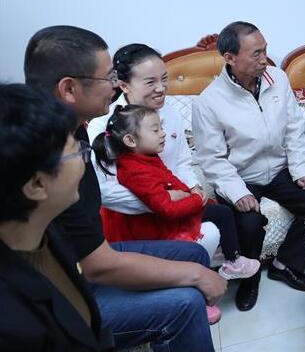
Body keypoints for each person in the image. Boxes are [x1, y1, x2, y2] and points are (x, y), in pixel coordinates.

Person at [0, 83, 224, 352]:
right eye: (78, 154)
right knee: (186, 302)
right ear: (36, 184)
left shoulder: (47, 231)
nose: (85, 164)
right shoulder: (10, 322)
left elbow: (81, 303)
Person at [24, 26, 224, 352]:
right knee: (187, 299)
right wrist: (193, 272)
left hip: (88, 257)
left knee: (196, 254)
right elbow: (97, 263)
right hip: (68, 289)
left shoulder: (74, 133)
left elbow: (180, 163)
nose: (114, 86)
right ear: (69, 88)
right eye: (109, 78)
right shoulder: (54, 154)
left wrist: (186, 193)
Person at [192, 21, 305, 312]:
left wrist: (301, 169)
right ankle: (249, 278)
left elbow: (294, 128)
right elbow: (211, 158)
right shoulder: (209, 102)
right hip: (241, 175)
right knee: (249, 223)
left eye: (264, 50)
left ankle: (285, 264)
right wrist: (237, 192)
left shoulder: (277, 78)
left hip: (279, 168)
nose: (264, 59)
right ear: (230, 57)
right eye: (256, 54)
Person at [92, 104, 260, 283]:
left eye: (161, 128)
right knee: (222, 213)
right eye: (155, 130)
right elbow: (166, 208)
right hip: (155, 223)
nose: (163, 134)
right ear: (130, 140)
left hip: (170, 210)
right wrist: (195, 199)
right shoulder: (134, 170)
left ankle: (227, 252)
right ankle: (233, 262)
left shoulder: (146, 156)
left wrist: (190, 191)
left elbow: (169, 176)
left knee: (220, 210)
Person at [87, 44, 222, 262]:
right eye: (150, 82)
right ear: (124, 85)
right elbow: (105, 190)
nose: (161, 88)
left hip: (173, 207)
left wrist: (193, 188)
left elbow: (181, 163)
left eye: (164, 79)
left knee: (217, 224)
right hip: (129, 219)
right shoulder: (104, 125)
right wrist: (162, 201)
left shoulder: (171, 113)